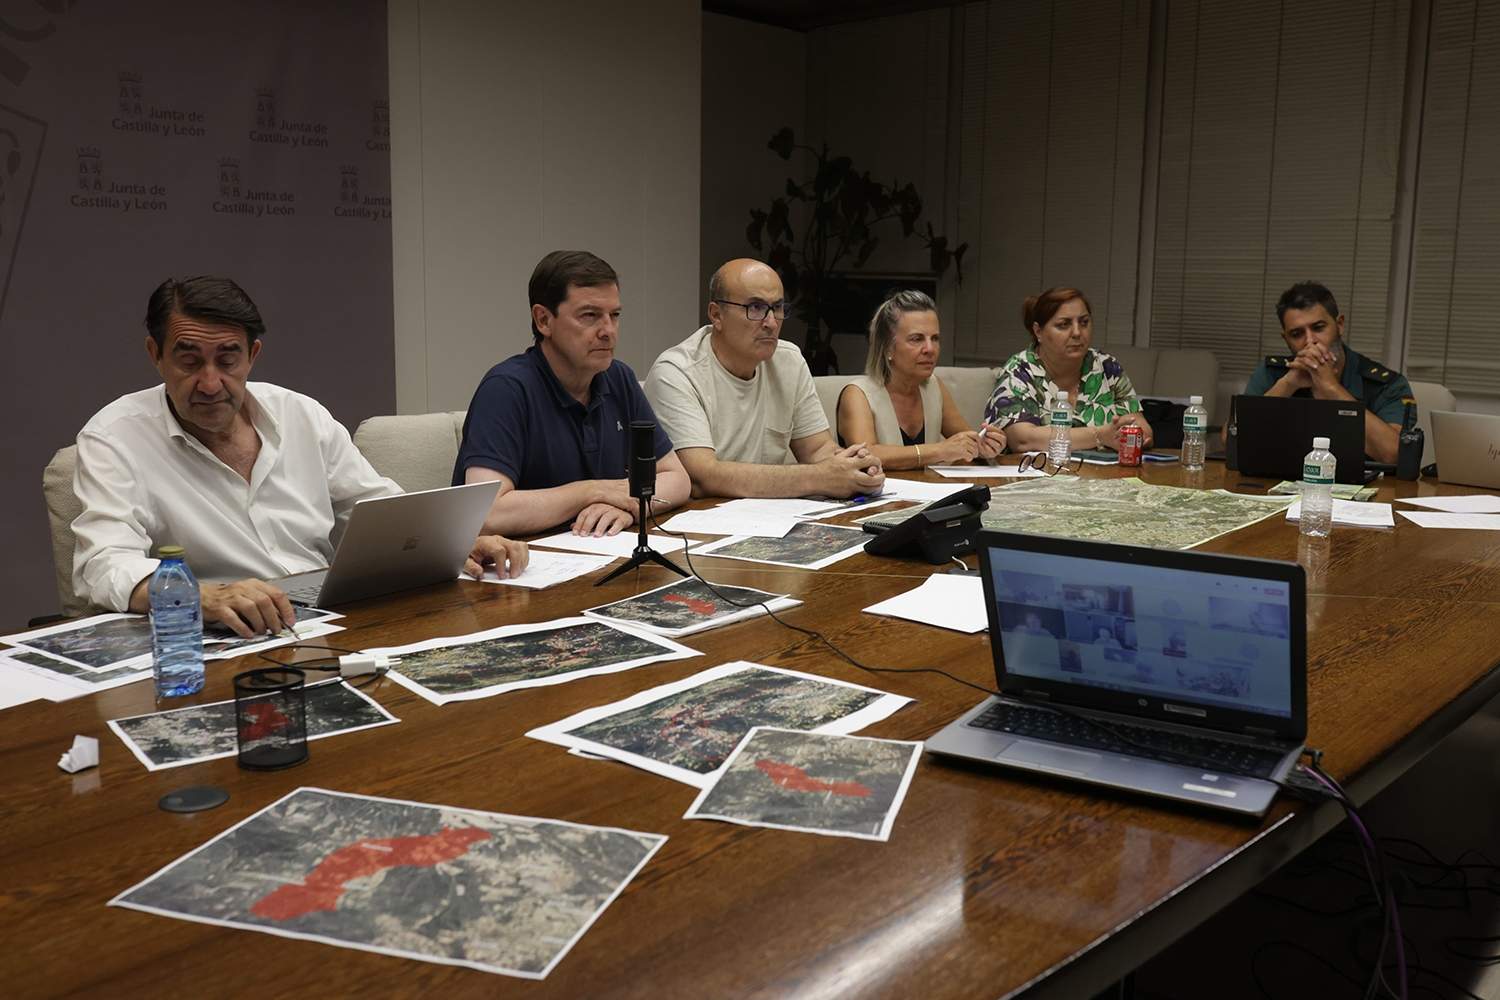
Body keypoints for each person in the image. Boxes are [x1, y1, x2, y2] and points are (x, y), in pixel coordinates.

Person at [72, 276, 528, 637]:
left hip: (332, 620)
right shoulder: (116, 436)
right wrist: (202, 596)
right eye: (189, 361)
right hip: (222, 632)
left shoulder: (300, 414)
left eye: (227, 360)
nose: (210, 383)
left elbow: (377, 508)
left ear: (252, 355)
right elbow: (103, 564)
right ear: (155, 355)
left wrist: (449, 540)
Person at [453, 251, 691, 536]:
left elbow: (676, 478)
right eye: (590, 316)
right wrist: (592, 491)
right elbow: (488, 513)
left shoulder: (619, 378)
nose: (608, 331)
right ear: (543, 320)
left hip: (596, 553)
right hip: (517, 568)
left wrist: (628, 506)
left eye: (614, 315)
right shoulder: (506, 388)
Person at [644, 258, 884, 498]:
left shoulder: (788, 360)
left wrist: (854, 466)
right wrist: (822, 477)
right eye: (755, 308)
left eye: (777, 308)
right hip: (700, 525)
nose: (771, 323)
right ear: (716, 315)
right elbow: (703, 475)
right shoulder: (676, 372)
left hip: (771, 519)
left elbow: (818, 449)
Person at [1237, 281, 1413, 465]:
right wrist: (1288, 384)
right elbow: (1233, 440)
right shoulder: (1272, 374)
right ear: (1286, 338)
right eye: (1297, 334)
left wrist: (1331, 388)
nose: (1310, 341)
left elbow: (1395, 455)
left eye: (1318, 328)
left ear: (1340, 325)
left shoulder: (1387, 384)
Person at [835, 289, 1005, 470]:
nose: (930, 349)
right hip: (875, 496)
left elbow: (966, 441)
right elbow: (866, 455)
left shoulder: (934, 386)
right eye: (916, 339)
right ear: (887, 348)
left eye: (935, 338)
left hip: (928, 495)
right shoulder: (857, 394)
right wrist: (939, 451)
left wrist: (984, 446)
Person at [983, 286, 1153, 454]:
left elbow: (1140, 426)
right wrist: (1099, 436)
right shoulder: (1019, 371)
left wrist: (1139, 436)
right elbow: (1023, 439)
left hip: (1102, 475)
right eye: (1064, 325)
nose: (1077, 332)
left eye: (1084, 322)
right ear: (1038, 332)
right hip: (1038, 476)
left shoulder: (1106, 366)